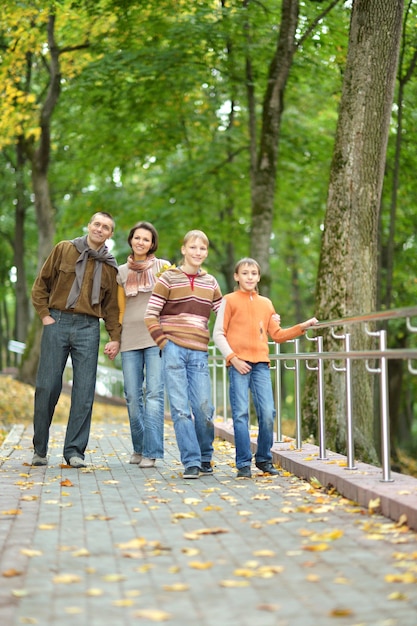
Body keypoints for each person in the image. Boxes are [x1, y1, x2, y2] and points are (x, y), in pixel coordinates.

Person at [31, 212, 121, 468]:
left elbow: (112, 307)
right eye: (97, 224)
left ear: (110, 234)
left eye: (106, 227)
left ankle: (74, 452)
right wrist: (45, 316)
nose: (100, 229)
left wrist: (115, 337)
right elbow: (41, 284)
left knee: (84, 392)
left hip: (88, 327)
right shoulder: (64, 249)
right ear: (89, 226)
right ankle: (40, 449)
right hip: (57, 321)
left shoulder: (110, 266)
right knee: (47, 387)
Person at [213, 257, 318, 478]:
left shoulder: (266, 303)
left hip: (261, 364)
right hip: (238, 364)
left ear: (258, 277)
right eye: (245, 273)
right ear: (236, 276)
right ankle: (243, 464)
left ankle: (263, 459)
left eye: (253, 273)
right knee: (240, 414)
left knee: (268, 413)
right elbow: (218, 334)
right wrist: (233, 358)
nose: (249, 276)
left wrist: (302, 326)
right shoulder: (229, 300)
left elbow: (278, 336)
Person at [144, 229, 222, 479]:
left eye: (202, 248)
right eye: (193, 247)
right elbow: (150, 314)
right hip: (173, 350)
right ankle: (191, 461)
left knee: (203, 408)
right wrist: (164, 343)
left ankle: (205, 455)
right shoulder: (168, 278)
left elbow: (226, 315)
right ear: (184, 250)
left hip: (199, 351)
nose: (198, 252)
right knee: (179, 409)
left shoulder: (211, 282)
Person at [117, 221, 171, 468]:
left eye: (146, 239)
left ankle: (152, 452)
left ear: (152, 243)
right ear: (131, 240)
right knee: (131, 395)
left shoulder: (164, 268)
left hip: (155, 338)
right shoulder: (121, 272)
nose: (141, 242)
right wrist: (115, 338)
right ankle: (139, 448)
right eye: (137, 238)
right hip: (129, 337)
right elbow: (120, 310)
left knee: (155, 394)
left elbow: (172, 302)